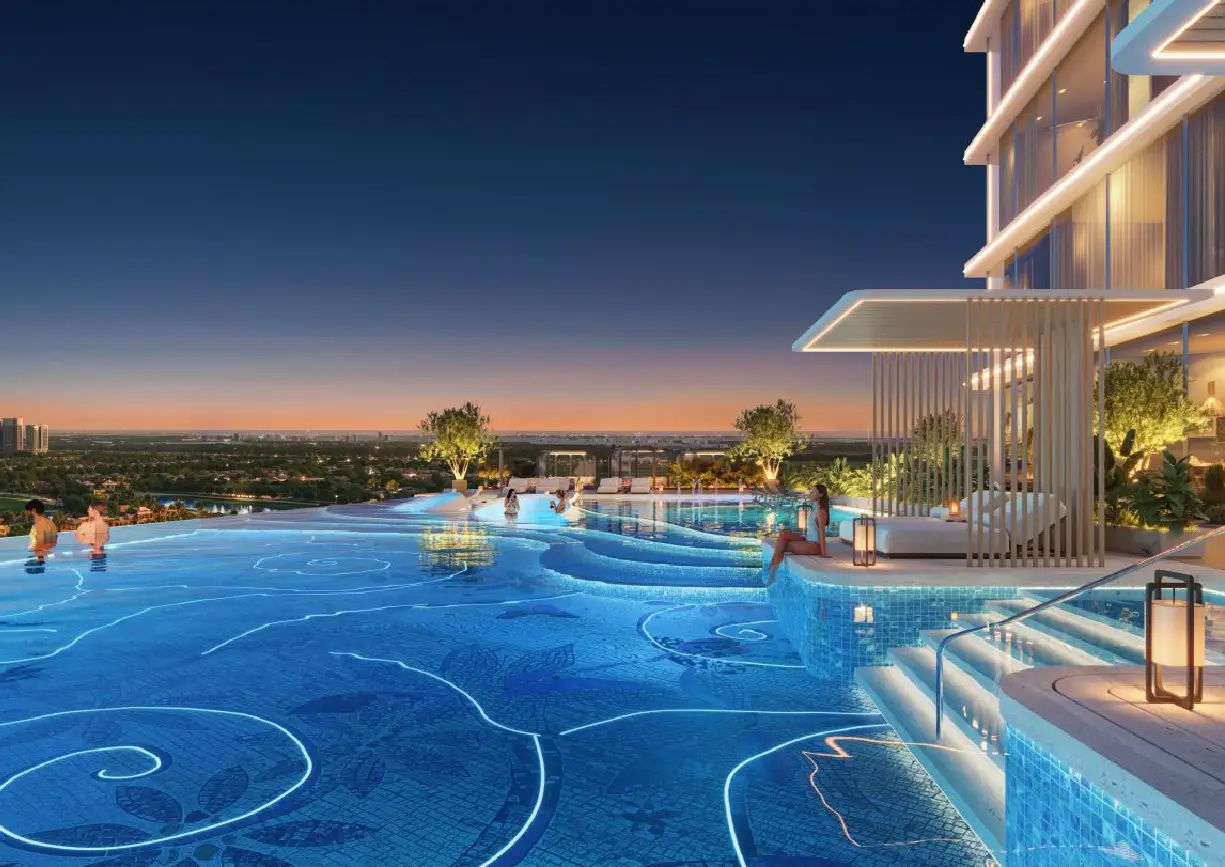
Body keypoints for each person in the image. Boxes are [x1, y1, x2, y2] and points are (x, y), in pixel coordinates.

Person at [765, 484, 832, 585]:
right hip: (808, 540)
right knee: (783, 534)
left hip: (814, 545)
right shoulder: (813, 509)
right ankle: (773, 571)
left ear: (821, 494)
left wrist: (823, 554)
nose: (810, 494)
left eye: (813, 492)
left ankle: (772, 572)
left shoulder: (821, 512)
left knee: (782, 545)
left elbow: (822, 532)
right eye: (810, 492)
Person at [25, 499, 58, 565]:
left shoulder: (38, 526)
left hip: (39, 560)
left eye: (27, 510)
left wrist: (40, 560)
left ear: (33, 510)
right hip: (49, 558)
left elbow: (40, 545)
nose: (26, 513)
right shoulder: (50, 523)